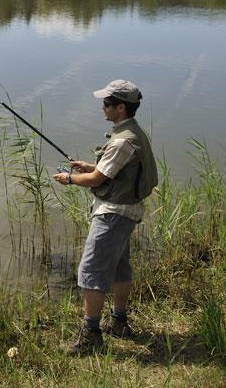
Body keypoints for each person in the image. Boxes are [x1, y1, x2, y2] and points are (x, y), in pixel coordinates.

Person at [52, 79, 158, 355]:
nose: (103, 108)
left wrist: (71, 178)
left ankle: (90, 336)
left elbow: (98, 179)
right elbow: (112, 170)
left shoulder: (123, 141)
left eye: (107, 104)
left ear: (120, 107)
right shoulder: (132, 132)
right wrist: (88, 165)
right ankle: (119, 322)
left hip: (113, 214)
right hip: (126, 212)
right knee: (120, 267)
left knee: (91, 271)